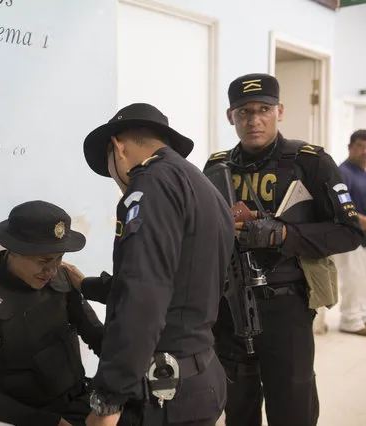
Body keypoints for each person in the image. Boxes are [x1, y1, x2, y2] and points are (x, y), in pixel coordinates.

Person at [202, 73, 363, 426]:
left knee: (292, 403)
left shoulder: (310, 162)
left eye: (263, 110)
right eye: (244, 112)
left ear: (280, 111)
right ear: (231, 116)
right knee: (238, 405)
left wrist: (282, 235)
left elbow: (349, 233)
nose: (254, 120)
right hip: (229, 305)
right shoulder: (217, 167)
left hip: (287, 304)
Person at [62, 103, 235, 426]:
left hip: (163, 393)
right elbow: (178, 279)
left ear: (118, 147)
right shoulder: (201, 186)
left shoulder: (150, 186)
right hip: (201, 374)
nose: (118, 182)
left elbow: (142, 295)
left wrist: (108, 400)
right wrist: (87, 285)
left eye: (110, 168)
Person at [0, 200, 104, 426]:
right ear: (14, 252)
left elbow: (95, 334)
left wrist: (125, 375)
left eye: (59, 259)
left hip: (82, 400)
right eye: (43, 261)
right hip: (36, 417)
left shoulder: (63, 280)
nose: (52, 271)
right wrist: (51, 422)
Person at [334, 129, 366, 335]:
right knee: (353, 279)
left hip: (362, 237)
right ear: (350, 147)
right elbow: (344, 205)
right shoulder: (342, 173)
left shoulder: (363, 172)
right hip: (349, 235)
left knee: (362, 279)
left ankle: (361, 316)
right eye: (360, 146)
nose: (365, 151)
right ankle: (350, 321)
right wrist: (362, 220)